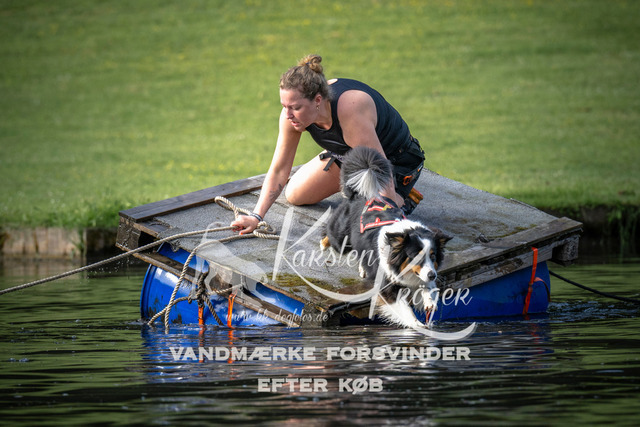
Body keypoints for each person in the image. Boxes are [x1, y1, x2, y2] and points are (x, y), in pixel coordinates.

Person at [231, 54, 425, 235]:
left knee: (362, 224)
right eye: (284, 106)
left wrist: (387, 215)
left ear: (317, 100)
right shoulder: (292, 115)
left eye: (295, 107)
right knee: (295, 194)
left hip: (394, 161)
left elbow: (381, 169)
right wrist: (256, 216)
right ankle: (355, 183)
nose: (288, 115)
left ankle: (404, 195)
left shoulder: (350, 110)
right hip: (349, 155)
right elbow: (279, 168)